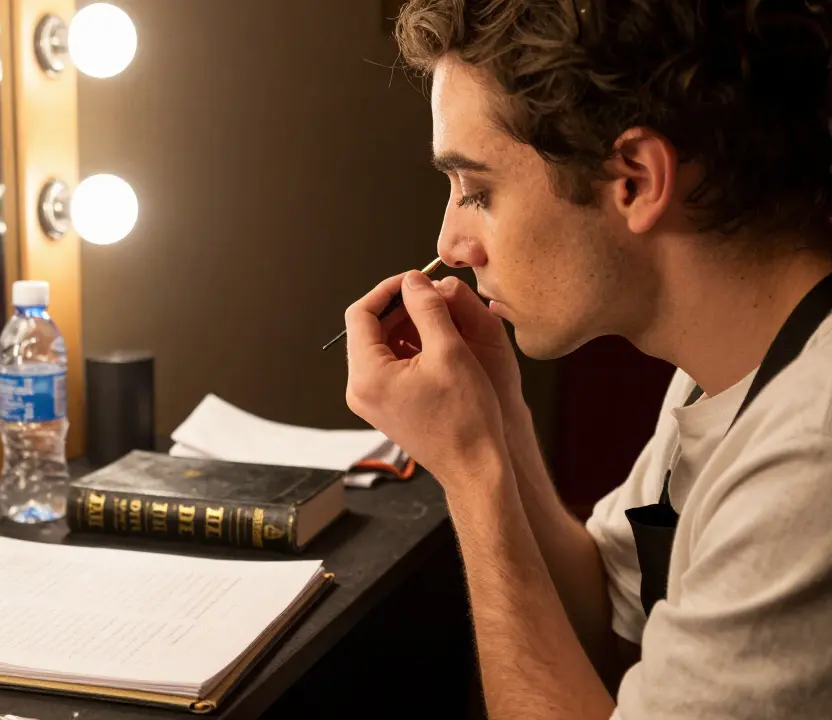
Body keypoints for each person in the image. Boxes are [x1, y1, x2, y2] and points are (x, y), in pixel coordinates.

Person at [344, 1, 832, 718]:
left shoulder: (809, 459)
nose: (450, 243)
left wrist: (472, 473)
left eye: (477, 190)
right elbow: (608, 618)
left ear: (634, 178)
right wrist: (502, 421)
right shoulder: (730, 364)